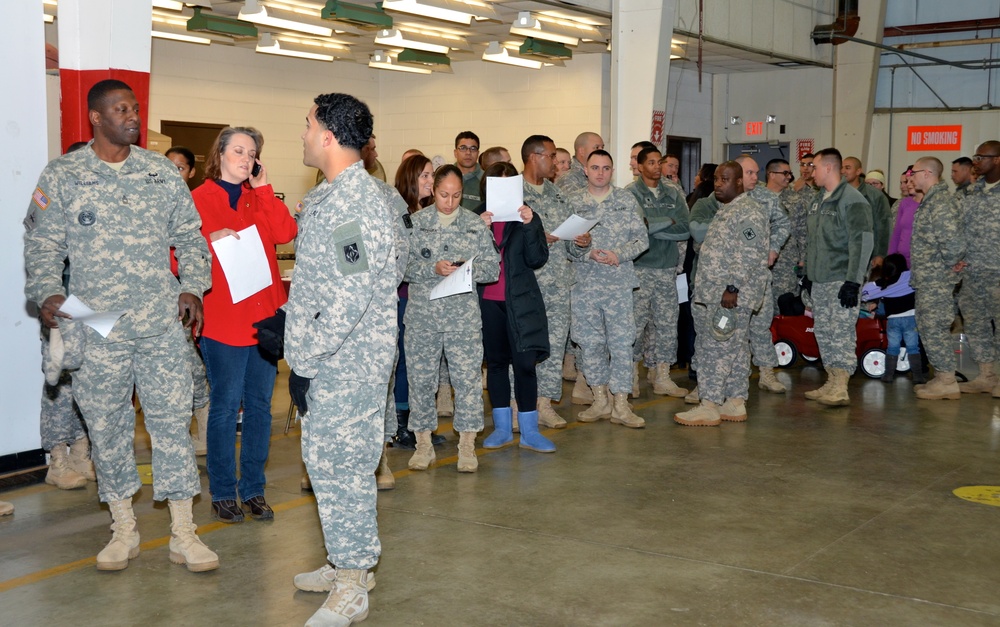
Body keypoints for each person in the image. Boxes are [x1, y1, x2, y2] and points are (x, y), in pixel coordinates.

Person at [23, 79, 217, 572]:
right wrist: (47, 291)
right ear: (96, 117)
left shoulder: (159, 172)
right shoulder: (63, 174)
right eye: (121, 109)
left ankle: (183, 533)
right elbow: (42, 246)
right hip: (97, 324)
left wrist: (193, 286)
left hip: (158, 321)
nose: (133, 116)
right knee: (107, 428)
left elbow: (191, 236)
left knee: (171, 426)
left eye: (135, 108)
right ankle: (123, 529)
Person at [285, 93, 397, 625]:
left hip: (348, 362)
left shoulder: (354, 203)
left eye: (308, 125)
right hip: (330, 356)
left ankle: (353, 583)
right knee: (325, 463)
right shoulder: (330, 196)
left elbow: (352, 295)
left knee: (345, 468)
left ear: (328, 136)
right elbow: (324, 284)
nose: (303, 134)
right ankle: (342, 561)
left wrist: (305, 357)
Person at [192, 127, 296, 523]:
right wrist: (210, 240)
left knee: (260, 408)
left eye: (252, 153)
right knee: (224, 407)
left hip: (264, 318)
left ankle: (253, 488)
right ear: (219, 154)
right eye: (238, 151)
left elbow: (286, 233)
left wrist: (265, 189)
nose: (246, 159)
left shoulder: (260, 197)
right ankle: (222, 491)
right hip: (223, 320)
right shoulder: (198, 199)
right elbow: (175, 254)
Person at [403, 165, 500, 472]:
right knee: (421, 381)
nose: (450, 202)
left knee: (467, 382)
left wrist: (465, 270)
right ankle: (423, 445)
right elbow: (400, 267)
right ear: (433, 190)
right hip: (423, 319)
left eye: (456, 195)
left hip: (463, 320)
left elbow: (493, 269)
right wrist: (431, 269)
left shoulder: (474, 225)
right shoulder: (415, 223)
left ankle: (467, 446)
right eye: (444, 195)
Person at [675, 162, 770, 426]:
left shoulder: (748, 211)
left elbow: (749, 254)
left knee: (716, 349)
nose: (718, 184)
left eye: (725, 179)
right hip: (718, 292)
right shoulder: (728, 209)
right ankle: (735, 402)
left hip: (729, 296)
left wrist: (733, 287)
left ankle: (709, 405)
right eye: (716, 179)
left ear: (739, 182)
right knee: (735, 350)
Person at [474, 161, 554, 453]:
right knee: (496, 364)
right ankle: (502, 429)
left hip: (521, 302)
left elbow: (537, 259)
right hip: (488, 302)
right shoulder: (476, 216)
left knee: (524, 365)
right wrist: (479, 230)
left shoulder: (528, 216)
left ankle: (530, 431)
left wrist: (531, 225)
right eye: (498, 184)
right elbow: (465, 259)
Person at [570, 150, 649, 428]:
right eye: (595, 167)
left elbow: (641, 240)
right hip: (585, 285)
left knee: (622, 343)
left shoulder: (625, 200)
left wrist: (619, 254)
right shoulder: (574, 202)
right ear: (585, 170)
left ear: (612, 171)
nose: (600, 173)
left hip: (618, 284)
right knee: (589, 343)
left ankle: (621, 404)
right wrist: (585, 252)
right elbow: (564, 244)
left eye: (606, 168)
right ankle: (600, 399)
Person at [801, 148, 874, 407]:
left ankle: (841, 386)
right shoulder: (818, 200)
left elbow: (862, 242)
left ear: (829, 168)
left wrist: (853, 281)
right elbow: (812, 241)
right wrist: (808, 274)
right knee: (823, 332)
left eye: (815, 166)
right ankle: (831, 380)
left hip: (842, 279)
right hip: (819, 278)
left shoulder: (852, 200)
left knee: (841, 332)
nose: (811, 172)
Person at [521, 135, 578, 428]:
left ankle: (544, 405)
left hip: (557, 284)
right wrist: (533, 237)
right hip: (526, 286)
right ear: (534, 157)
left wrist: (580, 241)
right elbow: (498, 239)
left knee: (553, 347)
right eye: (551, 156)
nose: (556, 162)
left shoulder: (558, 195)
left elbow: (570, 245)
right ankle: (519, 405)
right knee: (522, 347)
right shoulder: (512, 193)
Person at [626, 145, 690, 397]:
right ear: (640, 166)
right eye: (650, 162)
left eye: (658, 162)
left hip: (667, 268)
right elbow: (635, 229)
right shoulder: (630, 194)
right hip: (640, 268)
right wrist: (668, 221)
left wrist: (653, 228)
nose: (656, 167)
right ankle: (630, 376)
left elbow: (685, 228)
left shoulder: (672, 192)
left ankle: (662, 376)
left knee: (667, 324)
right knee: (635, 325)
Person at [166, 145, 210, 455]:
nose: (173, 174)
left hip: (187, 297)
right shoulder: (152, 201)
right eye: (168, 167)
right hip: (158, 299)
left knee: (192, 368)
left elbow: (197, 251)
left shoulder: (194, 204)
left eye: (180, 168)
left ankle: (204, 432)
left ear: (192, 172)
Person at [390, 153, 435, 449]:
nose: (431, 181)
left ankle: (420, 425)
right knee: (404, 362)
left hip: (428, 298)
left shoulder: (432, 213)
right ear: (411, 179)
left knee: (424, 363)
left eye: (432, 175)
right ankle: (399, 424)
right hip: (404, 298)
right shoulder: (398, 213)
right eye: (425, 176)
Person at [738, 156, 790, 395]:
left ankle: (767, 373)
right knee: (731, 329)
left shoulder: (766, 197)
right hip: (732, 276)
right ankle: (730, 375)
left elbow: (783, 224)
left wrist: (773, 248)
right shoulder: (722, 196)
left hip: (759, 275)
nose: (754, 177)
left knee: (761, 324)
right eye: (749, 172)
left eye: (756, 172)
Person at [956, 142, 1000, 397]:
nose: (976, 161)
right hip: (971, 271)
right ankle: (986, 376)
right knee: (975, 323)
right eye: (976, 156)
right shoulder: (971, 192)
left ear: (997, 159)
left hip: (997, 270)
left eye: (982, 157)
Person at [861, 253, 924, 383]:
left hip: (893, 321)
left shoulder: (883, 284)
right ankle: (918, 376)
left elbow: (865, 293)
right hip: (911, 319)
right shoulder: (910, 277)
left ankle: (888, 375)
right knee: (913, 347)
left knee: (892, 348)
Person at [843, 156, 891, 263]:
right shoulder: (836, 194)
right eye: (841, 168)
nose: (843, 171)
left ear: (858, 171)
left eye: (847, 168)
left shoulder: (874, 195)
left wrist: (880, 255)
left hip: (866, 255)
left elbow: (884, 227)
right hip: (840, 254)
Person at [556, 131, 604, 196]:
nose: (601, 151)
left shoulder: (600, 173)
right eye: (597, 147)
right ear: (582, 151)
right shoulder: (569, 179)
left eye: (602, 147)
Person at [454, 131, 483, 209]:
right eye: (463, 148)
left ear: (478, 153)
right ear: (455, 153)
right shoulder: (444, 177)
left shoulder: (486, 181)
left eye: (473, 149)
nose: (468, 153)